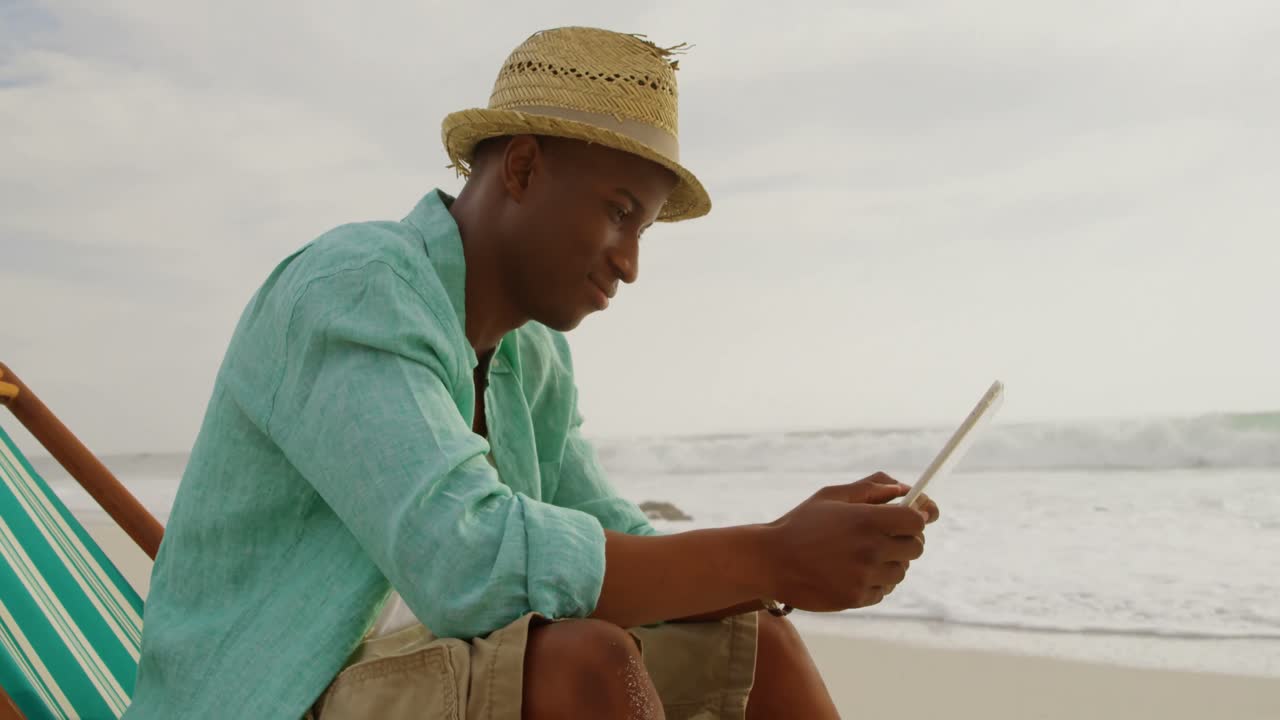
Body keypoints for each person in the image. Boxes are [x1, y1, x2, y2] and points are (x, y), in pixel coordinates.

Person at [125, 26, 938, 720]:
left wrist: (801, 552)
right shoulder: (355, 286)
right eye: (620, 213)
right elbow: (466, 565)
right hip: (265, 696)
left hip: (392, 675)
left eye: (645, 231)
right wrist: (769, 555)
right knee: (582, 665)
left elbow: (612, 536)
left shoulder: (532, 355)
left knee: (757, 643)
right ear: (521, 169)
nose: (629, 264)